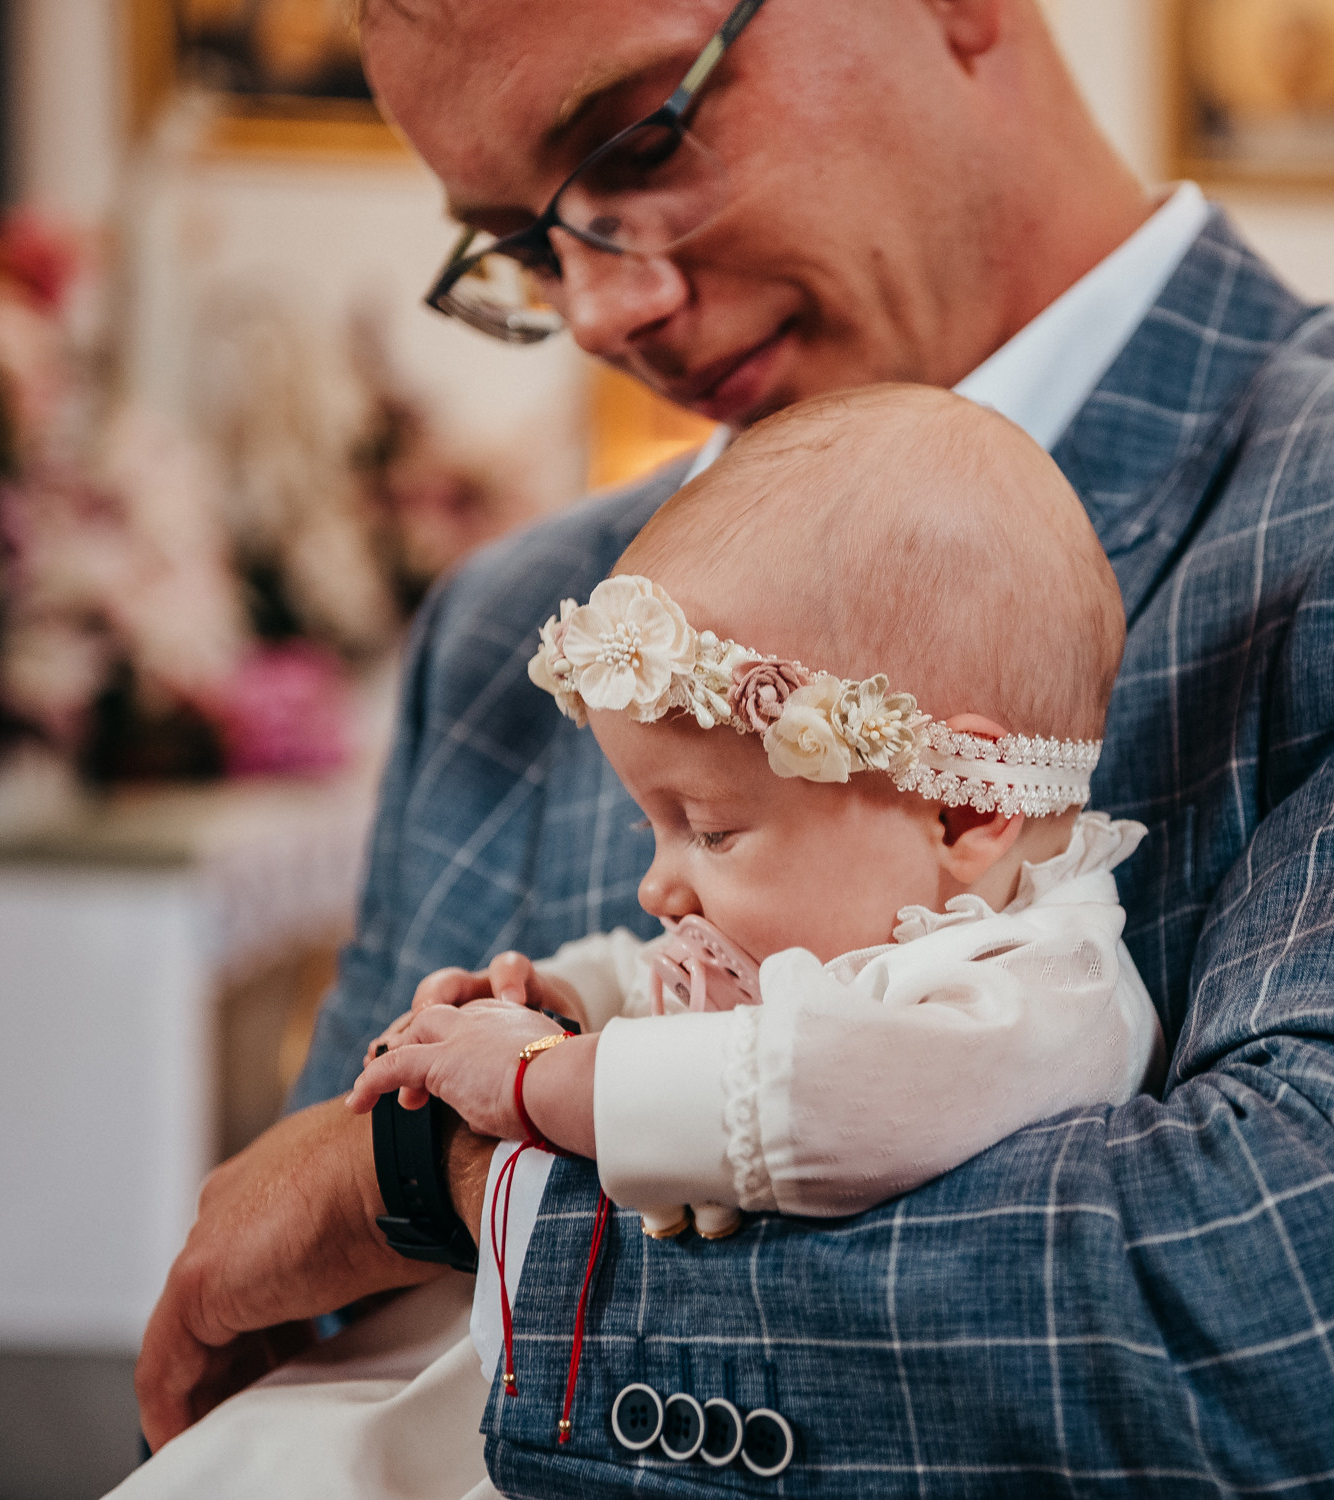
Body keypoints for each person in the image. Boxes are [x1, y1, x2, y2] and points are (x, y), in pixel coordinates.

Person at [135, 0, 1334, 1492]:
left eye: (641, 136)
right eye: (515, 246)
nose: (605, 307)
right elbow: (300, 1304)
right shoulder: (521, 624)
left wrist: (452, 1184)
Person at [348, 386, 1163, 1404]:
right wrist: (564, 998)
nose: (655, 884)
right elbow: (699, 989)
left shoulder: (1043, 996)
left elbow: (812, 1089)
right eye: (651, 828)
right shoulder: (859, 923)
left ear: (962, 815)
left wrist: (534, 1078)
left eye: (711, 831)